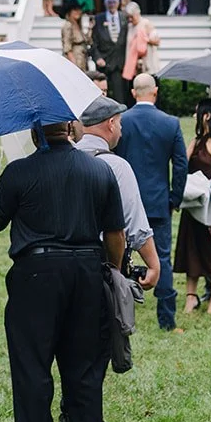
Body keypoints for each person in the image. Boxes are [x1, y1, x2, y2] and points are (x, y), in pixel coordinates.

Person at [0, 122, 125, 422]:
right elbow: (115, 232)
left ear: (34, 132)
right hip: (87, 270)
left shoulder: (21, 171)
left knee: (32, 368)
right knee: (85, 368)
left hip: (36, 274)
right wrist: (112, 270)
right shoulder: (99, 170)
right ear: (71, 128)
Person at [114, 72, 187, 331]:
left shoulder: (122, 121)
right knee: (162, 257)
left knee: (119, 255)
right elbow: (180, 165)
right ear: (155, 92)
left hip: (123, 201)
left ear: (134, 93)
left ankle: (120, 312)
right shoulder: (170, 123)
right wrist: (174, 198)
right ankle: (166, 319)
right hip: (158, 201)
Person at [75, 95, 161, 291]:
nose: (121, 131)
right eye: (120, 123)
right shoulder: (117, 166)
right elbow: (134, 221)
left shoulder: (65, 159)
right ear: (111, 123)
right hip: (103, 263)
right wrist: (154, 265)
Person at [174, 97, 211, 313]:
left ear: (207, 115)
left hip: (209, 201)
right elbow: (183, 164)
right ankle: (191, 295)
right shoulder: (196, 142)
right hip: (192, 199)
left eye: (198, 112)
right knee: (190, 245)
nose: (195, 116)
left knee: (210, 245)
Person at [91, 0, 129, 103]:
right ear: (106, 4)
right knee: (102, 95)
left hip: (119, 63)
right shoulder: (98, 19)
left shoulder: (124, 18)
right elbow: (93, 42)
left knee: (119, 96)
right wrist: (97, 58)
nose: (112, 4)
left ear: (118, 3)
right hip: (104, 62)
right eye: (109, 2)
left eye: (114, 2)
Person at [122, 1, 161, 86]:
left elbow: (157, 41)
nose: (130, 20)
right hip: (135, 67)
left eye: (132, 17)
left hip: (148, 65)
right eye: (128, 17)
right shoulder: (130, 26)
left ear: (137, 13)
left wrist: (146, 39)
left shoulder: (146, 23)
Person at [61, 2, 91, 71]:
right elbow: (67, 48)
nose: (78, 12)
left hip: (82, 59)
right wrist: (74, 65)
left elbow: (88, 41)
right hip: (74, 61)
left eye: (79, 10)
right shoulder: (68, 25)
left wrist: (90, 28)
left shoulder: (78, 25)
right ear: (69, 12)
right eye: (75, 10)